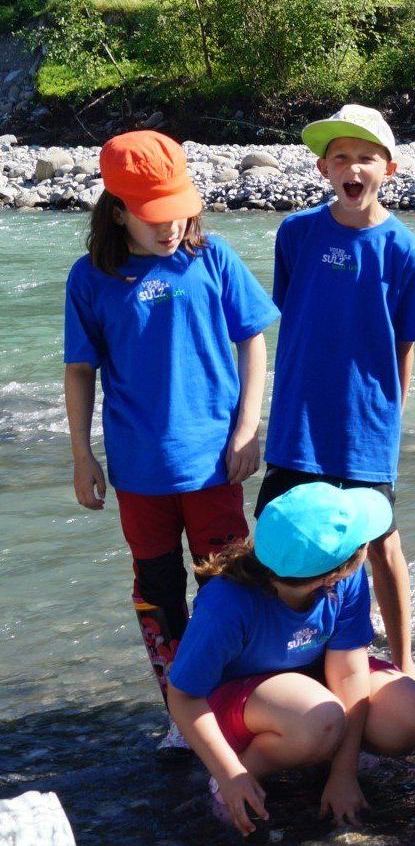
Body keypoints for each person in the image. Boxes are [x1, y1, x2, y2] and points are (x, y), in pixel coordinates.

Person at [63, 130, 280, 753]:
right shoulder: (92, 277)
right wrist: (82, 456)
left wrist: (247, 428)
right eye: (154, 214)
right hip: (138, 469)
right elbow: (80, 371)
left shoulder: (211, 257)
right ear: (117, 211)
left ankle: (232, 702)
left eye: (178, 209)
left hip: (215, 463)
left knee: (228, 586)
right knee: (158, 592)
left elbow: (253, 340)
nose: (170, 225)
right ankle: (180, 713)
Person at [260, 104, 415, 675]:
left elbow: (405, 344)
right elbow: (292, 309)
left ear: (389, 168)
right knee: (284, 539)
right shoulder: (297, 232)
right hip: (299, 420)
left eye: (365, 158)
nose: (352, 169)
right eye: (340, 158)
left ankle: (404, 663)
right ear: (323, 169)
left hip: (368, 423)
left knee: (381, 540)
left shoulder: (404, 249)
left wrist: (391, 416)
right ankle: (280, 658)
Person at [165, 483, 415, 834]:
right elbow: (183, 696)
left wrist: (344, 773)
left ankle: (328, 752)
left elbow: (349, 673)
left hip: (310, 690)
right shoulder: (226, 604)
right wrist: (229, 773)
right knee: (321, 718)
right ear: (332, 572)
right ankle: (243, 775)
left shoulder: (345, 581)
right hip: (243, 705)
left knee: (414, 715)